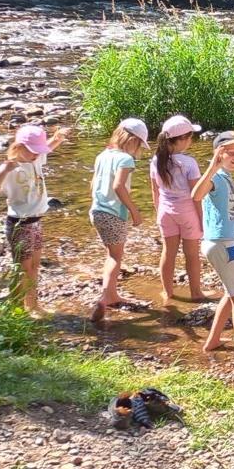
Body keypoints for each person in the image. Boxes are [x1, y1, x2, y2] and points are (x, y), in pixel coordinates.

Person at [0, 122, 70, 314]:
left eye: (37, 151)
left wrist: (56, 139)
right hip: (19, 224)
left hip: (36, 222)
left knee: (34, 266)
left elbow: (46, 148)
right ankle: (16, 307)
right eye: (33, 151)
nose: (36, 154)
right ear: (18, 147)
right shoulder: (10, 168)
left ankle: (32, 305)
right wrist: (6, 169)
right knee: (22, 269)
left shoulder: (36, 159)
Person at [192, 132, 234, 364]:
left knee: (230, 293)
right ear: (218, 153)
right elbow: (196, 194)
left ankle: (213, 340)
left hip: (222, 242)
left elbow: (221, 206)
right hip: (223, 243)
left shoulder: (227, 177)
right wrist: (212, 165)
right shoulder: (216, 175)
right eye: (231, 152)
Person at [88, 118, 148, 322]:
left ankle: (112, 294)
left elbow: (93, 184)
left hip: (97, 210)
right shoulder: (125, 159)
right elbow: (118, 186)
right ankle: (105, 297)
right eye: (139, 144)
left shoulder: (102, 156)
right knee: (116, 256)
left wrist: (95, 206)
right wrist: (134, 210)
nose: (139, 149)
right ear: (132, 140)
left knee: (111, 253)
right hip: (114, 213)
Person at [149, 115, 206, 306]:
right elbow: (196, 195)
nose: (191, 141)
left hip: (166, 211)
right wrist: (202, 219)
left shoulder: (156, 160)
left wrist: (159, 213)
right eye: (190, 137)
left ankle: (168, 292)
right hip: (187, 212)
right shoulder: (189, 163)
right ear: (181, 140)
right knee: (191, 254)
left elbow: (155, 191)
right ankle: (196, 293)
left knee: (168, 252)